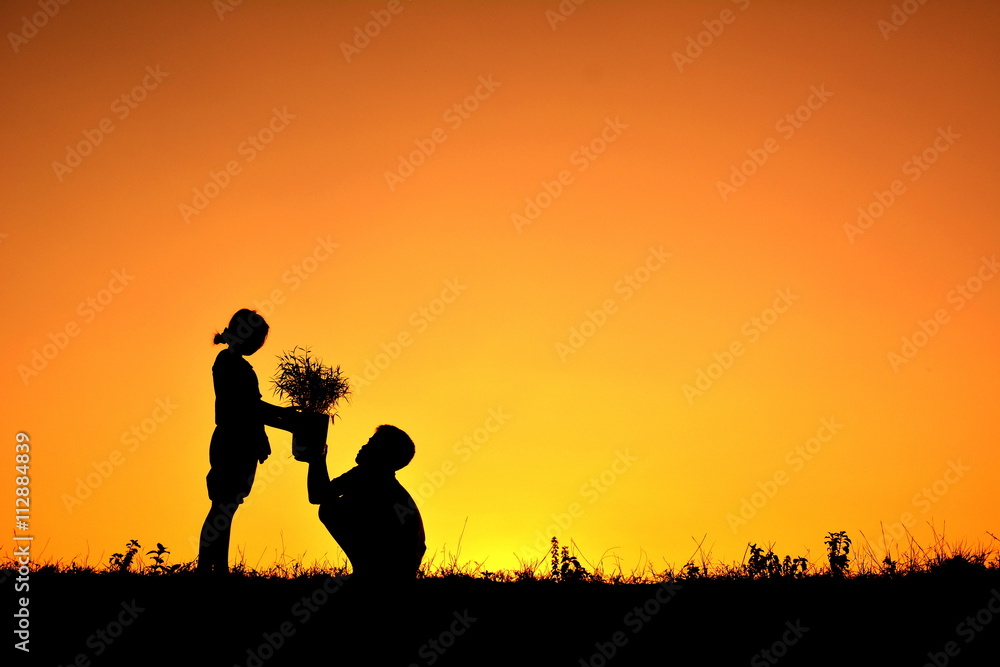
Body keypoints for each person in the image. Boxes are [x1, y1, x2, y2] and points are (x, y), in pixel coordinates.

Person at [198, 308, 296, 574]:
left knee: (226, 506)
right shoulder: (229, 364)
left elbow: (252, 409)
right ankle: (209, 567)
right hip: (233, 440)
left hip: (241, 440)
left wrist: (263, 435)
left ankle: (218, 568)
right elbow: (249, 407)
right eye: (257, 340)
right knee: (222, 505)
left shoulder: (236, 365)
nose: (257, 346)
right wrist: (285, 416)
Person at [304, 425, 426, 582]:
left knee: (329, 508)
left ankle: (367, 573)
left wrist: (317, 459)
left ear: (384, 454)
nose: (363, 446)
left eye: (371, 445)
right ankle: (366, 572)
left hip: (390, 570)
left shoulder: (370, 475)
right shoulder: (379, 478)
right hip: (402, 570)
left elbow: (318, 495)